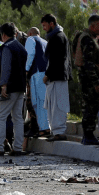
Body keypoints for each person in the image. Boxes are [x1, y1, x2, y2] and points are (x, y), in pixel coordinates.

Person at [0, 23, 27, 156]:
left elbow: (5, 67)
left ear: (3, 35)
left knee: (0, 116)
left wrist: (3, 85)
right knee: (17, 118)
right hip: (20, 88)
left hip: (9, 88)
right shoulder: (21, 48)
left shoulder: (6, 47)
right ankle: (17, 148)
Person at [74, 15, 99, 146]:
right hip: (88, 79)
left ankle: (87, 135)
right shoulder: (87, 39)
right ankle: (88, 135)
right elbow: (88, 63)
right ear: (92, 26)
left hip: (86, 77)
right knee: (91, 106)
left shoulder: (88, 37)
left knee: (89, 106)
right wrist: (96, 83)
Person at [42, 14, 72, 142]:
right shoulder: (56, 37)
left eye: (45, 25)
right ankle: (56, 131)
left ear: (52, 24)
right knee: (52, 105)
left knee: (58, 106)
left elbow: (56, 59)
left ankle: (59, 132)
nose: (44, 28)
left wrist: (47, 74)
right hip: (56, 77)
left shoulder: (58, 37)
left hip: (57, 77)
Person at [25, 26, 49, 137]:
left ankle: (43, 128)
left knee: (37, 102)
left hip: (36, 73)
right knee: (44, 100)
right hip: (45, 74)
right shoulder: (45, 42)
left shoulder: (31, 39)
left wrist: (26, 69)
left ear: (30, 33)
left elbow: (30, 54)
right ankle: (45, 127)